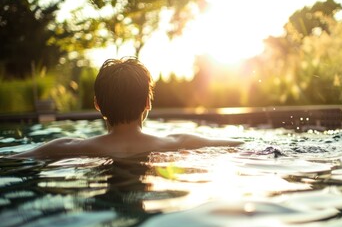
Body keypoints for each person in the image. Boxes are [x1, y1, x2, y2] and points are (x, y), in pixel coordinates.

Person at [12, 57, 243, 160]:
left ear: (98, 105)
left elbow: (13, 158)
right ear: (147, 103)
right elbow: (240, 145)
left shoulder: (65, 148)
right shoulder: (179, 142)